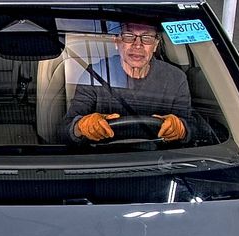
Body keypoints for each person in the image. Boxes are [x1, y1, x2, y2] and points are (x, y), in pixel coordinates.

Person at [62, 21, 191, 145]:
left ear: (155, 45)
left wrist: (182, 127)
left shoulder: (175, 78)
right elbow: (64, 130)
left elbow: (195, 126)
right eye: (129, 36)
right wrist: (81, 126)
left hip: (162, 157)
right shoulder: (94, 74)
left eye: (146, 38)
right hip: (103, 156)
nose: (138, 45)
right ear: (116, 41)